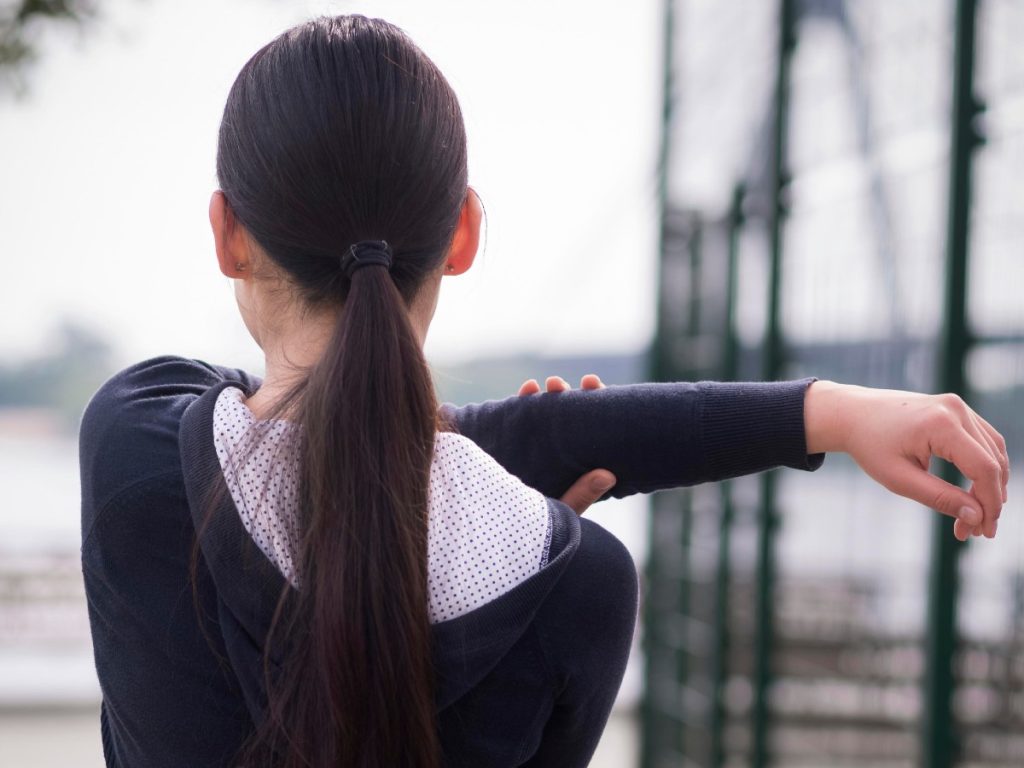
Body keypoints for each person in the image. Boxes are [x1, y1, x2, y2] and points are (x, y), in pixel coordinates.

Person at [77, 14, 1008, 768]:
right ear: (463, 234)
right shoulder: (579, 589)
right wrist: (830, 414)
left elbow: (326, 435)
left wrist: (818, 415)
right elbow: (386, 442)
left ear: (227, 234)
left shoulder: (135, 449)